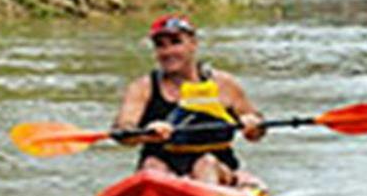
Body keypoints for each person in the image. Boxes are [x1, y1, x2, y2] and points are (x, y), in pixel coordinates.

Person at [111, 13, 265, 186]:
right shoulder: (143, 87)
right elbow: (123, 130)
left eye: (176, 42)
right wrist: (147, 133)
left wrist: (252, 124)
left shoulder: (224, 84)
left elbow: (256, 132)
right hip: (164, 164)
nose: (168, 52)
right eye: (160, 46)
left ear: (193, 44)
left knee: (204, 164)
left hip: (216, 165)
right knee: (152, 166)